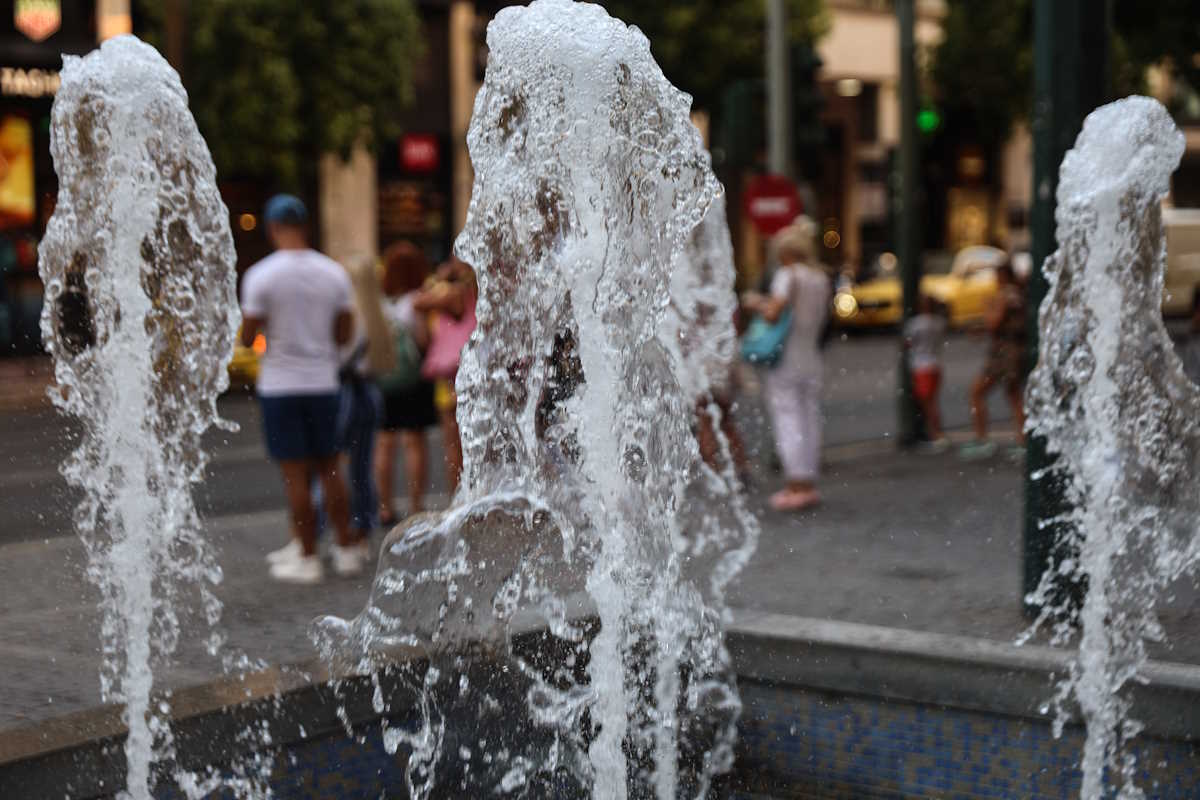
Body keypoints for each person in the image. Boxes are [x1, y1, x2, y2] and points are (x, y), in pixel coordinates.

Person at [240, 194, 362, 583]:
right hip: (323, 381)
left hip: (280, 385)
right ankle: (345, 549)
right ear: (306, 226)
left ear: (273, 228)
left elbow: (247, 338)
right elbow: (344, 335)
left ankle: (307, 556)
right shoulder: (332, 273)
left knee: (294, 475)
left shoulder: (261, 276)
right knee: (330, 467)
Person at [299, 254, 394, 561]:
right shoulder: (378, 313)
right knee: (361, 468)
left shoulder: (347, 313)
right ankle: (361, 532)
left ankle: (316, 531)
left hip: (342, 393)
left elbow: (332, 352)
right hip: (369, 393)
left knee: (327, 466)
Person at [742, 216, 831, 512]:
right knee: (809, 418)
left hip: (787, 358)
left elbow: (773, 314)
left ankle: (796, 483)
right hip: (811, 355)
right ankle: (809, 481)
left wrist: (755, 302)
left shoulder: (788, 275)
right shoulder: (820, 278)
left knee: (788, 418)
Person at [374, 242, 439, 526]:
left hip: (385, 380)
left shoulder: (382, 304)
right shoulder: (417, 301)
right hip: (413, 381)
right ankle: (415, 506)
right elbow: (424, 341)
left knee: (385, 443)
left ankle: (385, 506)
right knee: (414, 442)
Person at [414, 256, 477, 496]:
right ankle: (476, 496)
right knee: (476, 445)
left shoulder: (454, 293)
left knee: (454, 446)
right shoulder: (479, 291)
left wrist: (438, 278)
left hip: (451, 378)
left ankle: (459, 497)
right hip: (473, 374)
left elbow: (418, 302)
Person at [962, 259, 1027, 459]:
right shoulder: (1017, 295)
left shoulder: (1005, 295)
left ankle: (983, 439)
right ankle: (1022, 440)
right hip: (1013, 351)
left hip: (1004, 355)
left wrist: (987, 307)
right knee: (1014, 395)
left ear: (1002, 276)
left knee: (977, 392)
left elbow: (993, 323)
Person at [903, 294, 948, 446]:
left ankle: (936, 434)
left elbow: (907, 343)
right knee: (932, 401)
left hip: (921, 366)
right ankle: (936, 432)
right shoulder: (939, 322)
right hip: (935, 364)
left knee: (927, 403)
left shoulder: (915, 324)